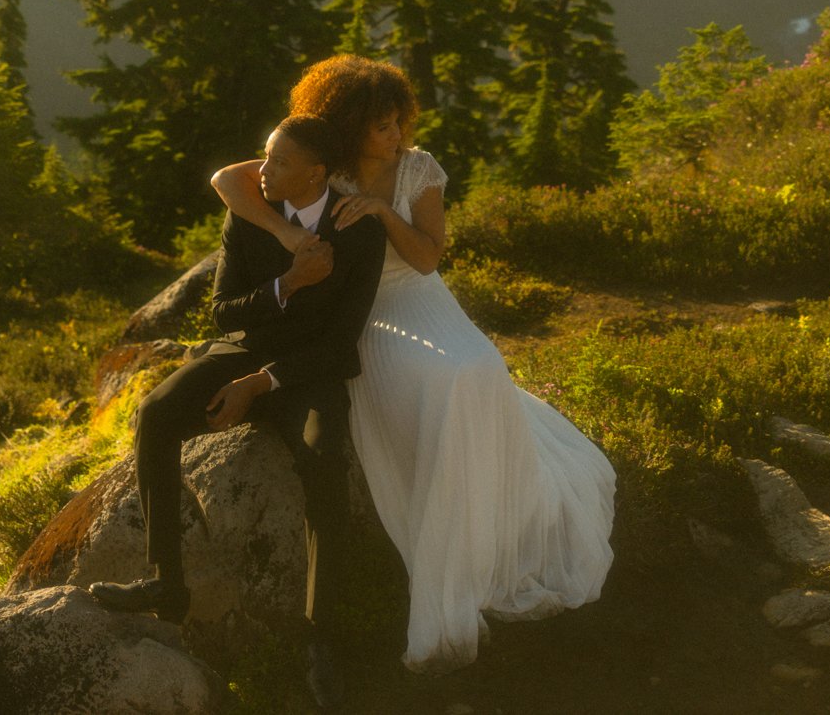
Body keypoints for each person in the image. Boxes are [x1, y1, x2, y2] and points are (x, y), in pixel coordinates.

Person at [211, 55, 617, 673]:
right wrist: (288, 235)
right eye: (382, 126)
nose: (396, 135)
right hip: (361, 311)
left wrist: (381, 213)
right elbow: (227, 181)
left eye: (399, 121)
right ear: (349, 124)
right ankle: (447, 533)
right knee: (443, 380)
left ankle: (492, 526)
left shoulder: (419, 169)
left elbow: (427, 259)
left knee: (478, 366)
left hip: (420, 299)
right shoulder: (323, 165)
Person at [91, 113, 385, 711]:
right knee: (155, 414)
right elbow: (225, 314)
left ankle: (320, 639)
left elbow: (340, 343)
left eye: (277, 162)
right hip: (245, 350)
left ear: (316, 173)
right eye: (265, 156)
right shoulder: (250, 213)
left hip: (310, 373)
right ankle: (166, 585)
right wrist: (288, 284)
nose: (265, 169)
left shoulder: (357, 230)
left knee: (326, 463)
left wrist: (264, 383)